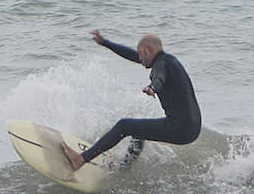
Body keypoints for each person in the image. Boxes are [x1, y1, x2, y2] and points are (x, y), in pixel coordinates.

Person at [61, 30, 202, 171]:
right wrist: (105, 43)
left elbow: (159, 77)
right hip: (192, 127)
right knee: (138, 130)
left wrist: (152, 87)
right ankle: (124, 167)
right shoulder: (169, 61)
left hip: (180, 128)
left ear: (148, 50)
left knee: (124, 126)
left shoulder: (161, 66)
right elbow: (132, 56)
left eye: (141, 53)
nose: (139, 58)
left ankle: (79, 160)